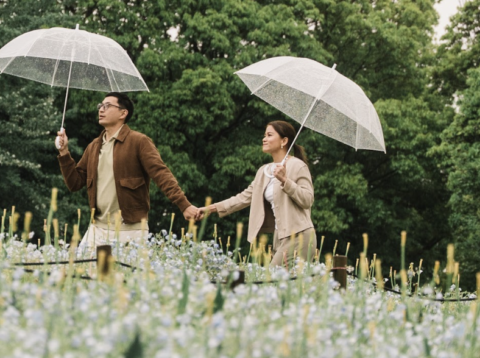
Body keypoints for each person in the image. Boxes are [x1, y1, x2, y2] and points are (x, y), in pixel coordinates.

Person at [57, 93, 202, 247]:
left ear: (123, 113)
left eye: (107, 106)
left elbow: (161, 174)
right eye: (100, 106)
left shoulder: (139, 141)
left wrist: (184, 205)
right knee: (81, 263)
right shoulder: (93, 146)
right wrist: (64, 152)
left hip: (131, 230)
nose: (101, 109)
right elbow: (74, 183)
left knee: (125, 265)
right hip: (97, 229)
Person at [203, 120, 316, 267]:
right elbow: (243, 198)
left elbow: (308, 200)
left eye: (269, 135)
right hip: (279, 236)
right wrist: (210, 209)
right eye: (264, 135)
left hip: (299, 235)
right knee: (284, 281)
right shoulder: (264, 171)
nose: (264, 139)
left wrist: (285, 180)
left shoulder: (298, 166)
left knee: (272, 277)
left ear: (284, 141)